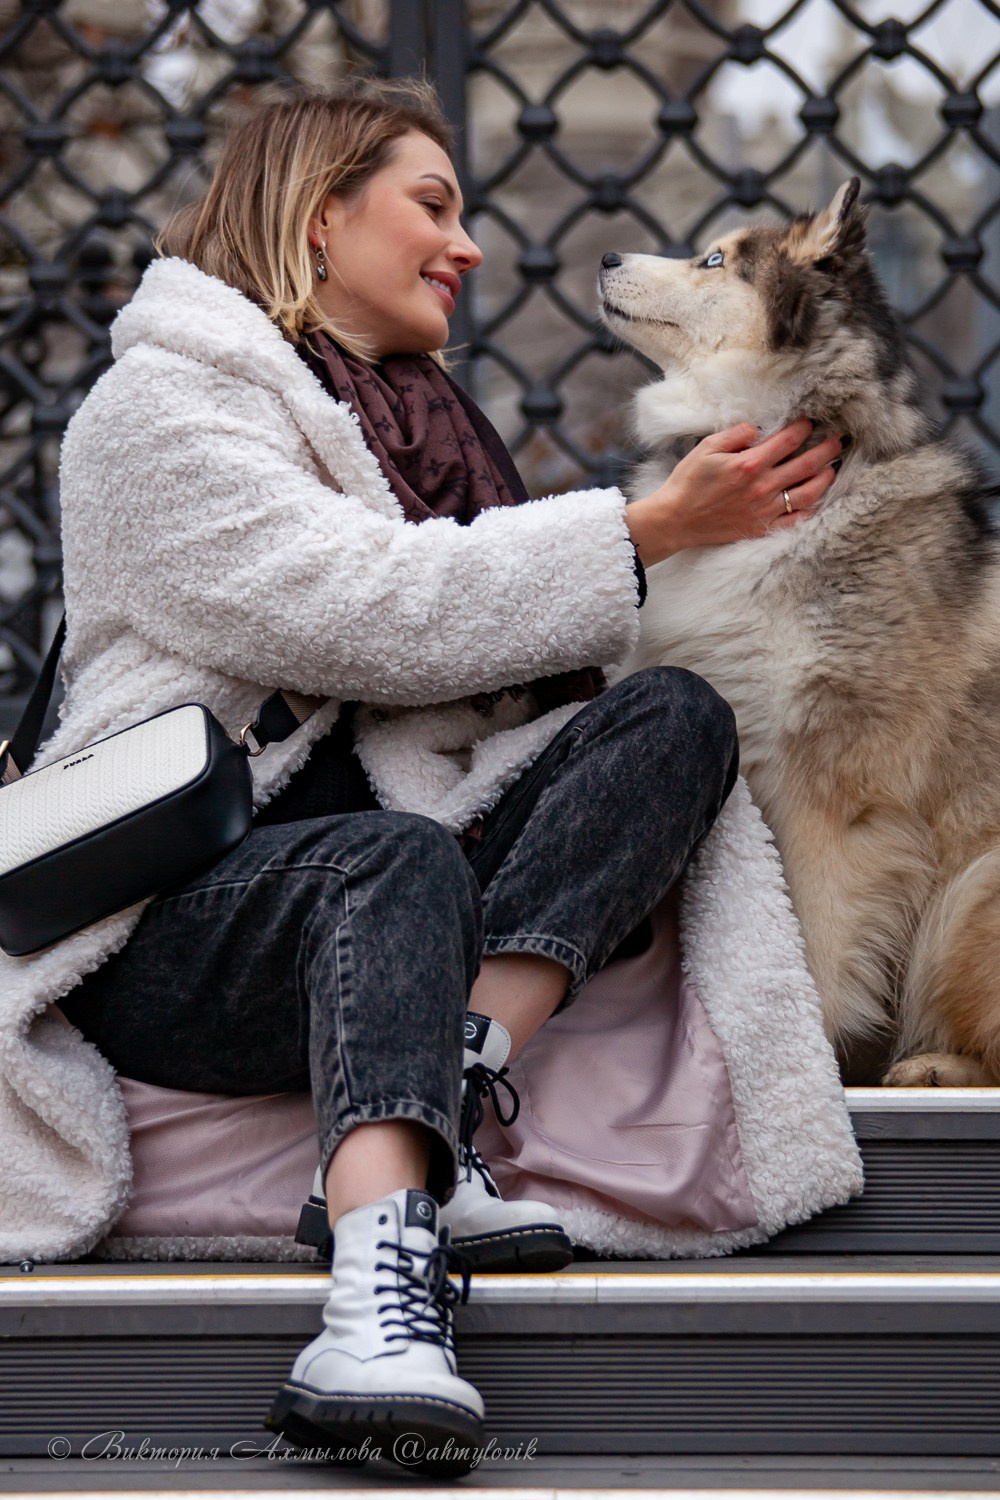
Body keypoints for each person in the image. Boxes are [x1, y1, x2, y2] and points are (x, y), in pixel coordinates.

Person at [49, 79, 842, 1476]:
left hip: (406, 896)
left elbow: (506, 666)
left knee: (673, 721)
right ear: (317, 219)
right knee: (391, 860)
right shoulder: (158, 405)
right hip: (179, 927)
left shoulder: (413, 419)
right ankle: (373, 1310)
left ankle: (456, 1081)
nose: (467, 246)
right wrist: (646, 530)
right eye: (433, 205)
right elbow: (363, 610)